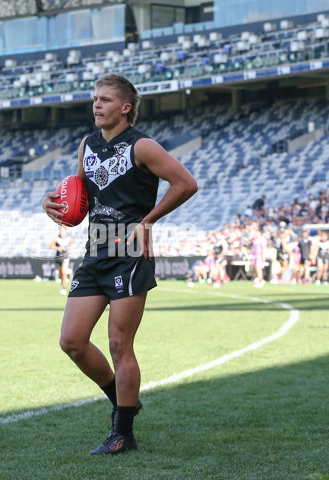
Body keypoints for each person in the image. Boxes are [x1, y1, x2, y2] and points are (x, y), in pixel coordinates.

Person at [41, 73, 198, 454]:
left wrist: (148, 221)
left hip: (129, 252)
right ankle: (123, 400)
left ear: (125, 108)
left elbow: (186, 183)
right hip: (95, 250)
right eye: (95, 98)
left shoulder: (142, 146)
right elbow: (76, 194)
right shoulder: (87, 144)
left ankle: (123, 434)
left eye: (106, 100)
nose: (97, 104)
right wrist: (51, 204)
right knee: (72, 341)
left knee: (118, 343)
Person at [50, 225, 72, 295]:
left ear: (66, 231)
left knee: (64, 272)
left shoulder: (68, 238)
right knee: (60, 273)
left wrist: (70, 250)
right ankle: (62, 284)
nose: (62, 232)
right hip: (58, 257)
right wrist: (58, 248)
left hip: (65, 257)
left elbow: (71, 247)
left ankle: (63, 288)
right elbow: (51, 246)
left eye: (63, 231)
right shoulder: (56, 238)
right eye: (61, 231)